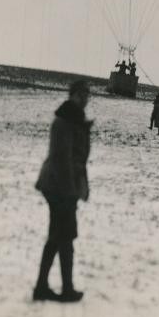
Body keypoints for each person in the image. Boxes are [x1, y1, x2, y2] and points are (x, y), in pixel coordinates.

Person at [34, 79, 92, 303]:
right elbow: (62, 160)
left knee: (59, 236)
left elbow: (78, 159)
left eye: (87, 95)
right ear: (73, 95)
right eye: (82, 94)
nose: (85, 99)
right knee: (64, 236)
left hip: (63, 186)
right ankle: (65, 289)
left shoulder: (74, 119)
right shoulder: (65, 121)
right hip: (58, 186)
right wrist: (70, 191)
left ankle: (43, 287)